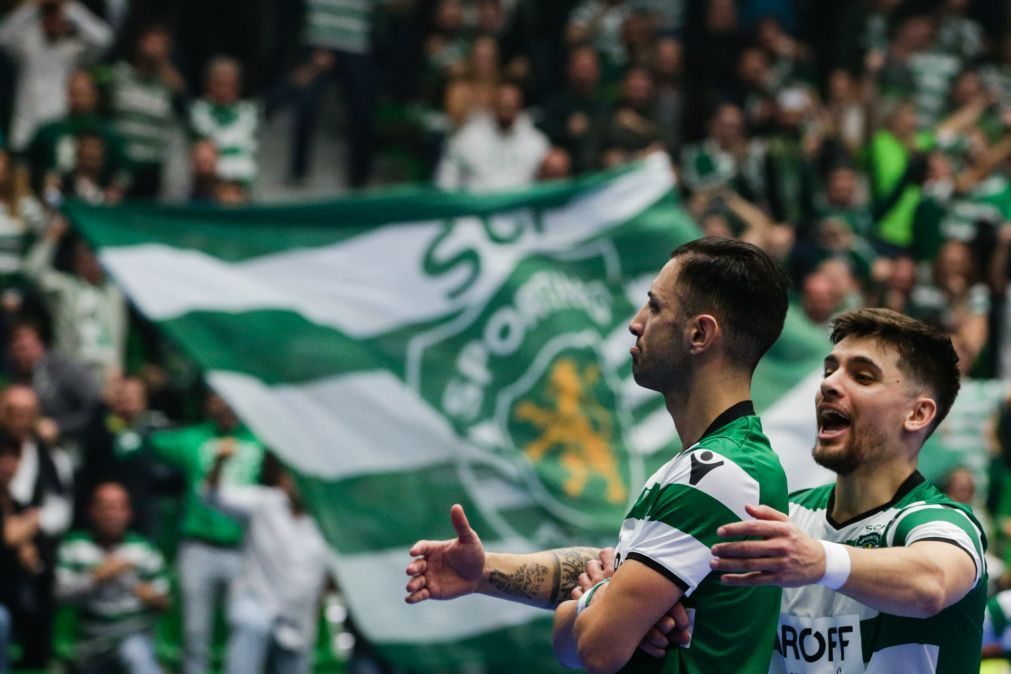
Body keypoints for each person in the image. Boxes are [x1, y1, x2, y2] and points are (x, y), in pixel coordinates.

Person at [406, 237, 791, 673]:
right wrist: (484, 573)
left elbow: (595, 648)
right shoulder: (701, 465)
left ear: (699, 334)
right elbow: (577, 633)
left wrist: (599, 602)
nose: (635, 323)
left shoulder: (720, 472)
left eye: (655, 307)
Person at [708, 308, 986, 672]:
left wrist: (820, 562)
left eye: (862, 376)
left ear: (917, 415)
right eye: (829, 370)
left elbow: (931, 584)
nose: (828, 384)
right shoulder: (785, 518)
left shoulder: (938, 521)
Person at [149, 391, 265, 674]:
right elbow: (150, 443)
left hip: (244, 549)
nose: (225, 405)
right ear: (207, 402)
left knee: (247, 626)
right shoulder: (193, 438)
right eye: (218, 398)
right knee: (195, 632)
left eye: (231, 399)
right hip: (198, 547)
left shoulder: (259, 441)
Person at [204, 447, 330, 674]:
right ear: (282, 479)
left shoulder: (326, 524)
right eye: (292, 476)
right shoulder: (264, 502)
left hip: (298, 622)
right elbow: (211, 495)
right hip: (256, 605)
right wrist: (219, 462)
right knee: (252, 626)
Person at [56, 482, 169, 674]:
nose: (111, 514)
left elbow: (164, 603)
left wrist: (130, 580)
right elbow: (58, 594)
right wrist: (97, 576)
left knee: (136, 653)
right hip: (90, 645)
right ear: (92, 512)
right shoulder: (74, 547)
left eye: (118, 507)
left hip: (134, 636)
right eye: (105, 507)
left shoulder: (144, 550)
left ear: (128, 513)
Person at [0, 0, 112, 151]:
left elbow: (105, 39)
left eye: (60, 18)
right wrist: (35, 5)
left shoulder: (74, 50)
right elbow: (3, 36)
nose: (56, 22)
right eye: (51, 17)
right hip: (24, 128)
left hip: (57, 130)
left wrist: (69, 7)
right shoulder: (27, 45)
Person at [435, 82, 550, 192]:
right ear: (492, 105)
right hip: (476, 208)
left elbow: (547, 184)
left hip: (520, 209)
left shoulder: (536, 142)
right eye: (501, 106)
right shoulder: (467, 138)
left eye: (510, 107)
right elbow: (446, 181)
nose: (505, 112)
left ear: (519, 107)